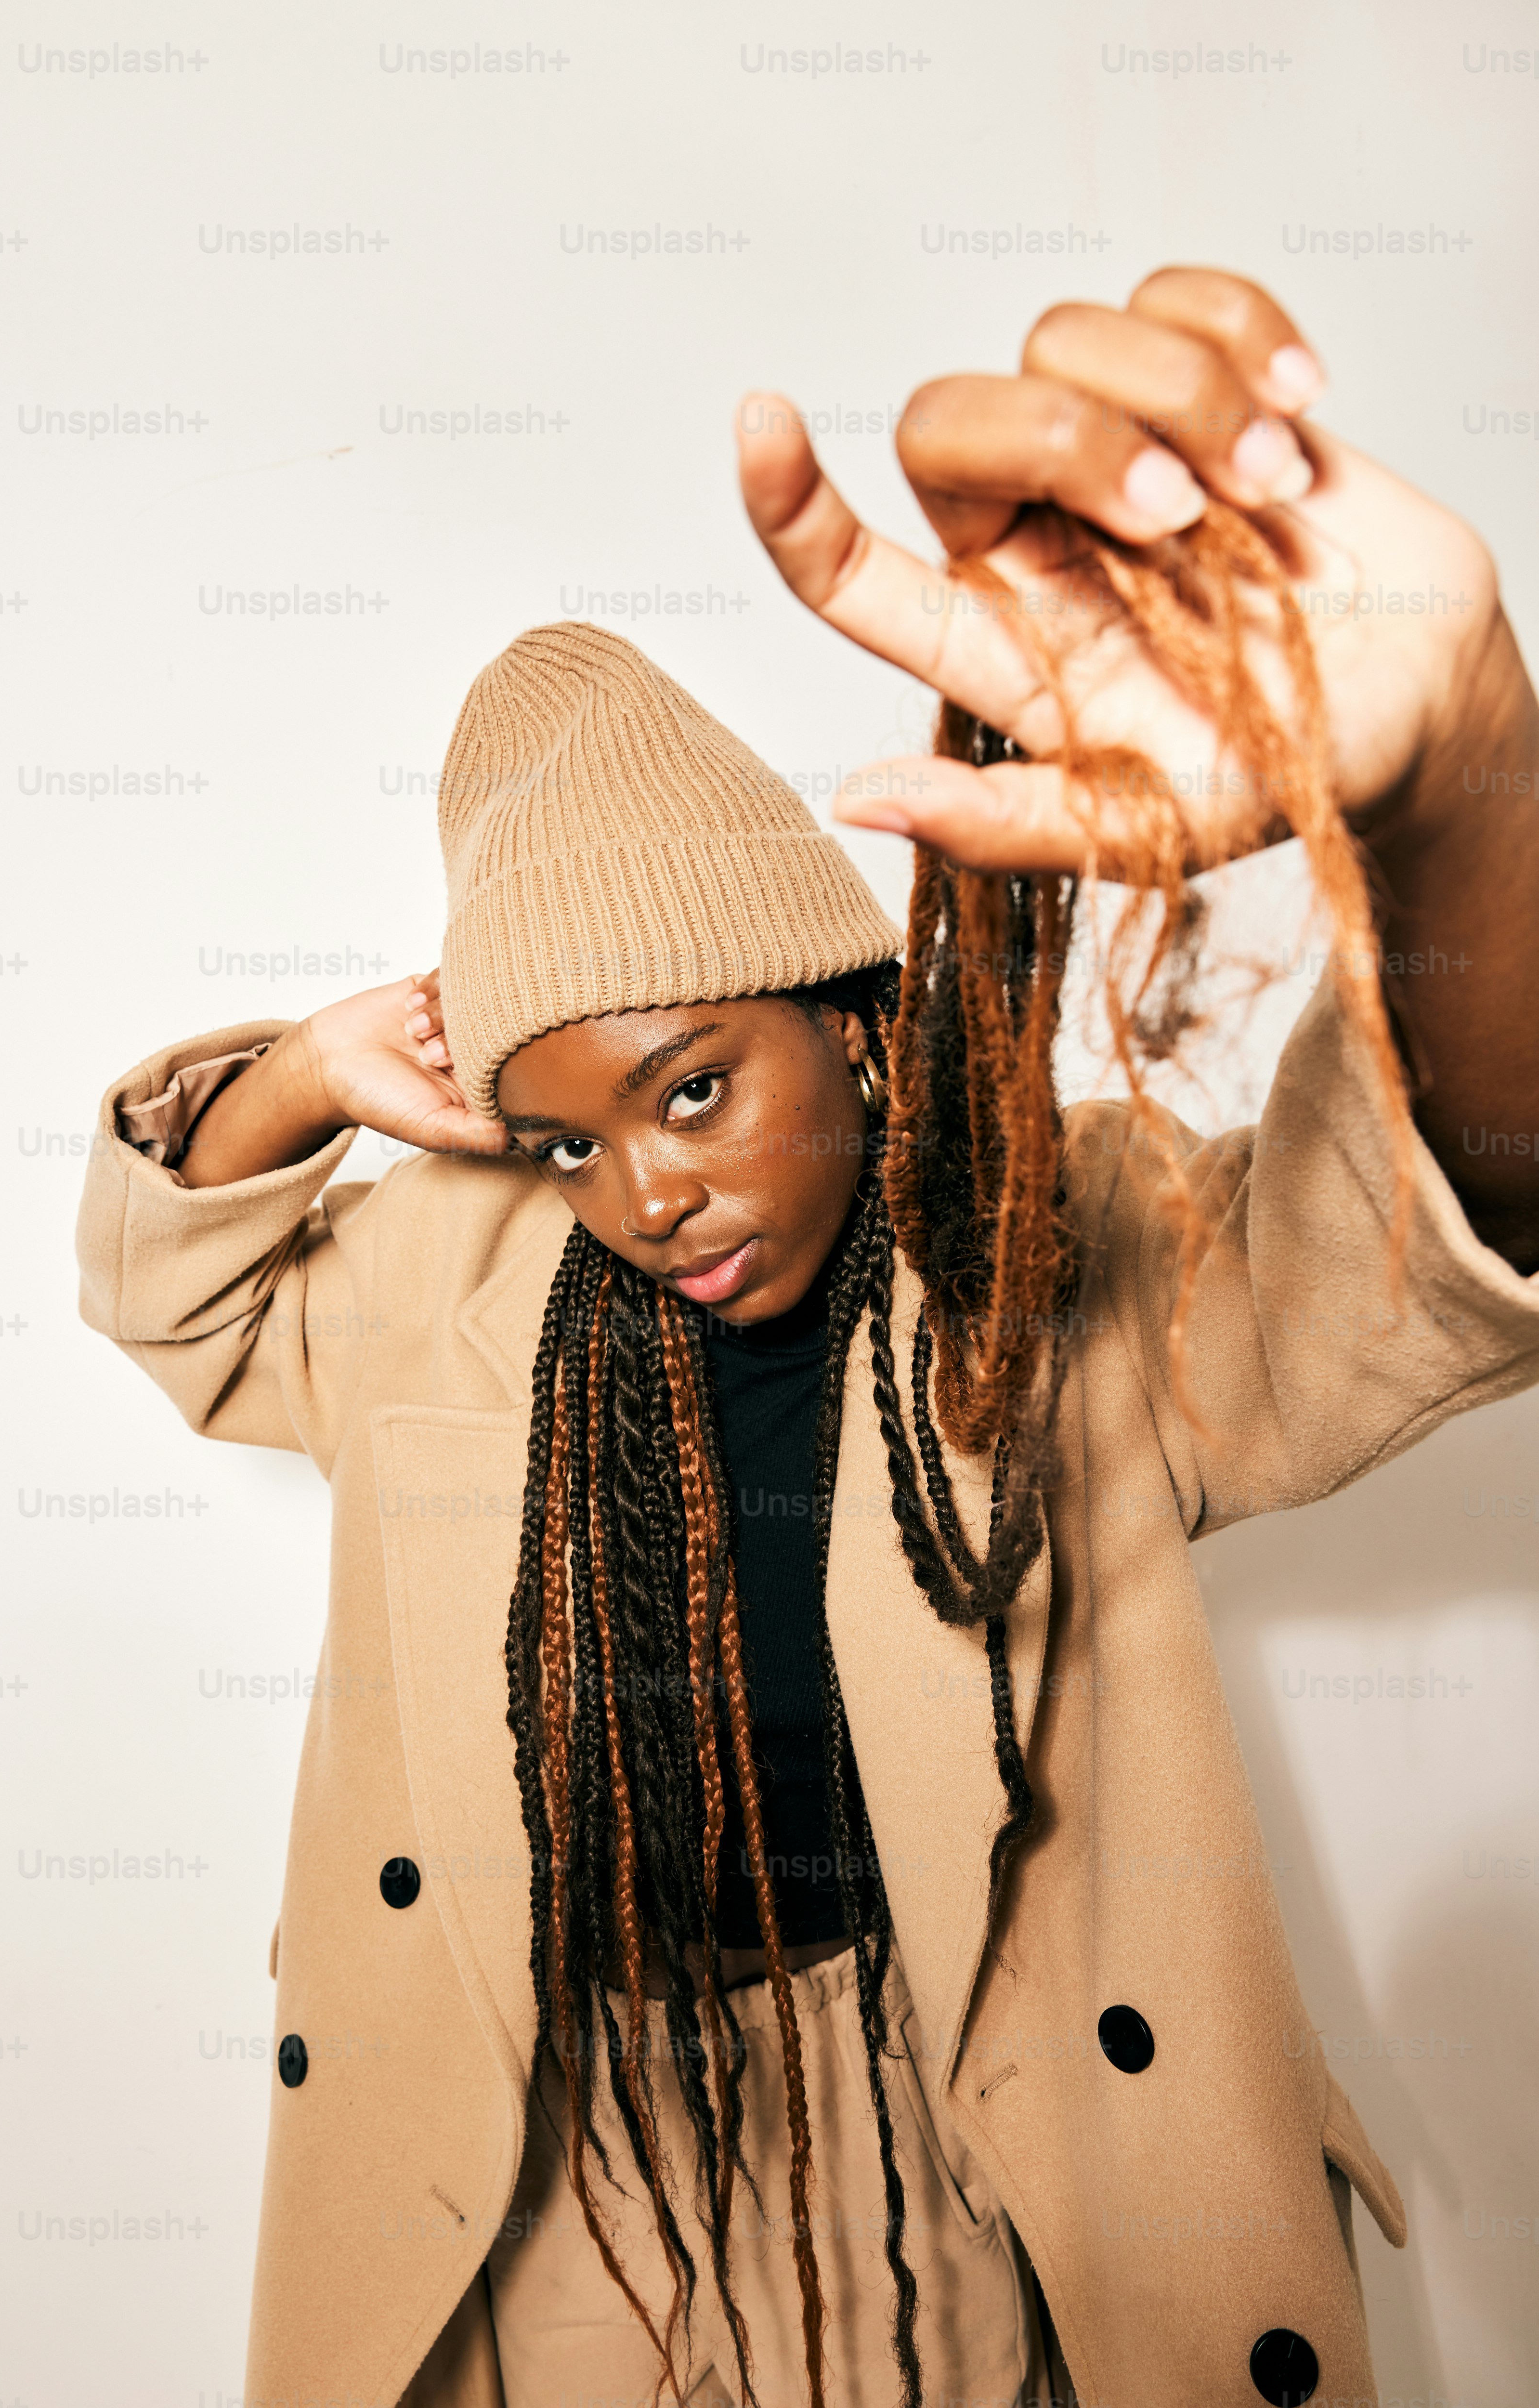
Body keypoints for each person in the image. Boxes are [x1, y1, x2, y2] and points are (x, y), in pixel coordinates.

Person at [76, 269, 1539, 2408]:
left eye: (692, 1087)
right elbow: (167, 1288)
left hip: (962, 2105)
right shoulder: (445, 1281)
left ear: (851, 1025)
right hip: (541, 2149)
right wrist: (299, 1076)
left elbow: (1420, 1240)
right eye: (564, 1134)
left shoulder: (1053, 1246)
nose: (643, 1189)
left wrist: (1472, 778)